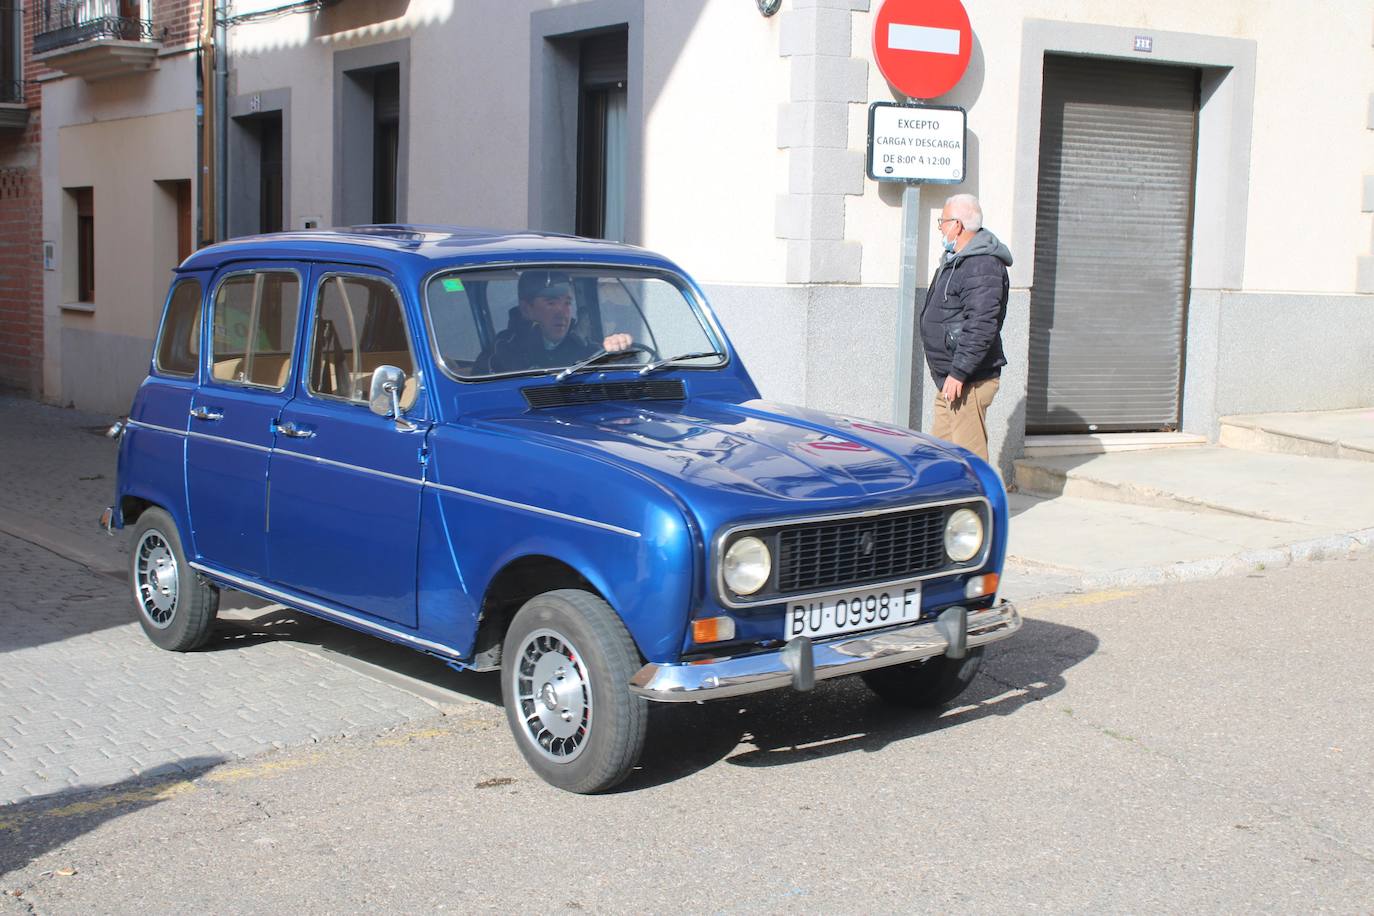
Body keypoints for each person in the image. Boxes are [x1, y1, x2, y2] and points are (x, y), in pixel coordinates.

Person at [919, 193, 1012, 463]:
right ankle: (945, 506)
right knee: (940, 458)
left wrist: (959, 372)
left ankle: (984, 506)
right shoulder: (957, 259)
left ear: (957, 225)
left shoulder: (982, 264)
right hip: (951, 380)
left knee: (970, 462)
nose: (940, 227)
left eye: (943, 221)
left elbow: (982, 325)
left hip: (968, 381)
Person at [482, 270, 633, 373]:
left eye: (567, 303)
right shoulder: (504, 348)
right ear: (527, 309)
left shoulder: (583, 345)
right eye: (551, 303)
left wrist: (616, 352)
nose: (562, 313)